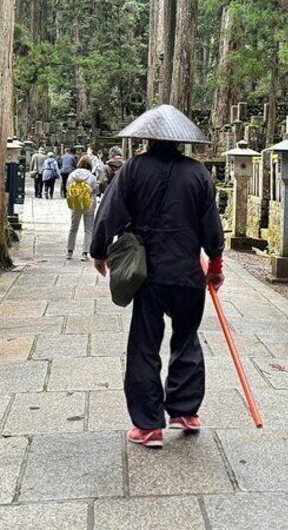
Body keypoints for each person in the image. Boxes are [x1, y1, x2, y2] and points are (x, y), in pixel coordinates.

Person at [91, 104, 225, 449]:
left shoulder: (134, 169)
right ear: (182, 141)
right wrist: (215, 264)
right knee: (187, 337)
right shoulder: (198, 174)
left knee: (144, 344)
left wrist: (100, 249)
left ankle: (149, 425)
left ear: (147, 137)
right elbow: (212, 224)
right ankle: (185, 411)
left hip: (148, 273)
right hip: (187, 271)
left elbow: (111, 209)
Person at [66, 155, 99, 261]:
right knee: (88, 229)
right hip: (89, 203)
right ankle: (85, 253)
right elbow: (95, 190)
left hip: (76, 204)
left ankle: (69, 251)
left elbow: (68, 187)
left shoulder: (72, 175)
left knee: (73, 228)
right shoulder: (91, 176)